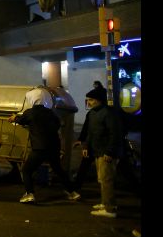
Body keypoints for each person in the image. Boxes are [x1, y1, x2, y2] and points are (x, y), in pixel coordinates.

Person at [8, 89, 80, 204]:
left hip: (39, 148)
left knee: (27, 170)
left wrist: (14, 118)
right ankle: (72, 192)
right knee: (58, 169)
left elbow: (21, 120)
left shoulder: (30, 112)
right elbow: (58, 124)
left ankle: (29, 193)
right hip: (54, 147)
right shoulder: (51, 113)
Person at [82, 87, 123, 218]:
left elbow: (114, 134)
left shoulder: (108, 113)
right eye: (88, 100)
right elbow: (90, 132)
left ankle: (109, 209)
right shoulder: (93, 113)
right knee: (102, 179)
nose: (88, 102)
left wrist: (110, 152)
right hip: (97, 151)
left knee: (106, 180)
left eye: (91, 100)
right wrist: (86, 146)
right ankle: (106, 203)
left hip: (106, 152)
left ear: (99, 100)